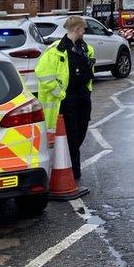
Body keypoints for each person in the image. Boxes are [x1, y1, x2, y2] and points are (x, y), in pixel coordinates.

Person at [35, 15, 96, 184]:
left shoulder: (87, 49)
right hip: (67, 101)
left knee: (81, 132)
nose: (84, 32)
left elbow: (90, 70)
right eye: (83, 29)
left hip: (83, 98)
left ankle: (72, 167)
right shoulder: (55, 51)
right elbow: (42, 74)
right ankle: (74, 172)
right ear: (77, 29)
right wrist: (61, 94)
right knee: (72, 136)